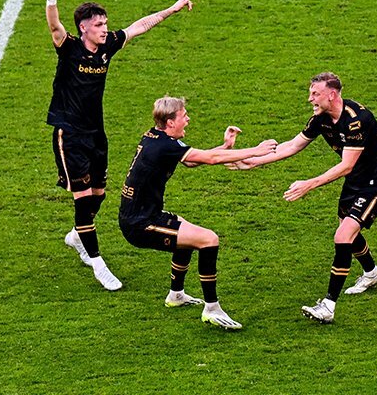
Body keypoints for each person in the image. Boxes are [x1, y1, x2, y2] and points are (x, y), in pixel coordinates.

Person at [39, 0, 192, 291]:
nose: (105, 29)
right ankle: (96, 261)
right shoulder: (69, 47)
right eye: (99, 25)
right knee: (83, 200)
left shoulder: (108, 45)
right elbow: (54, 26)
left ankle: (77, 234)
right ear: (84, 28)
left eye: (106, 24)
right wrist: (52, 0)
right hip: (69, 134)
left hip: (96, 133)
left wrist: (172, 9)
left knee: (98, 194)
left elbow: (139, 26)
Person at [229, 73, 377, 324]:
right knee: (347, 230)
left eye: (315, 94)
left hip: (375, 185)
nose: (310, 99)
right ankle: (371, 273)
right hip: (355, 183)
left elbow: (346, 166)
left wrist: (309, 184)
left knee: (342, 236)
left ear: (332, 94)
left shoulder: (356, 121)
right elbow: (292, 146)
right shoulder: (321, 119)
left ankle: (328, 305)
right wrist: (252, 162)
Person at [118, 97, 276, 330]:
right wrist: (257, 150)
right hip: (140, 224)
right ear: (171, 122)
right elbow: (209, 159)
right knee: (208, 239)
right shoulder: (165, 145)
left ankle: (176, 295)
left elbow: (191, 161)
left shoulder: (156, 137)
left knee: (186, 233)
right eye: (184, 116)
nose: (188, 119)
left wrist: (225, 148)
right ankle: (212, 308)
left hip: (144, 214)